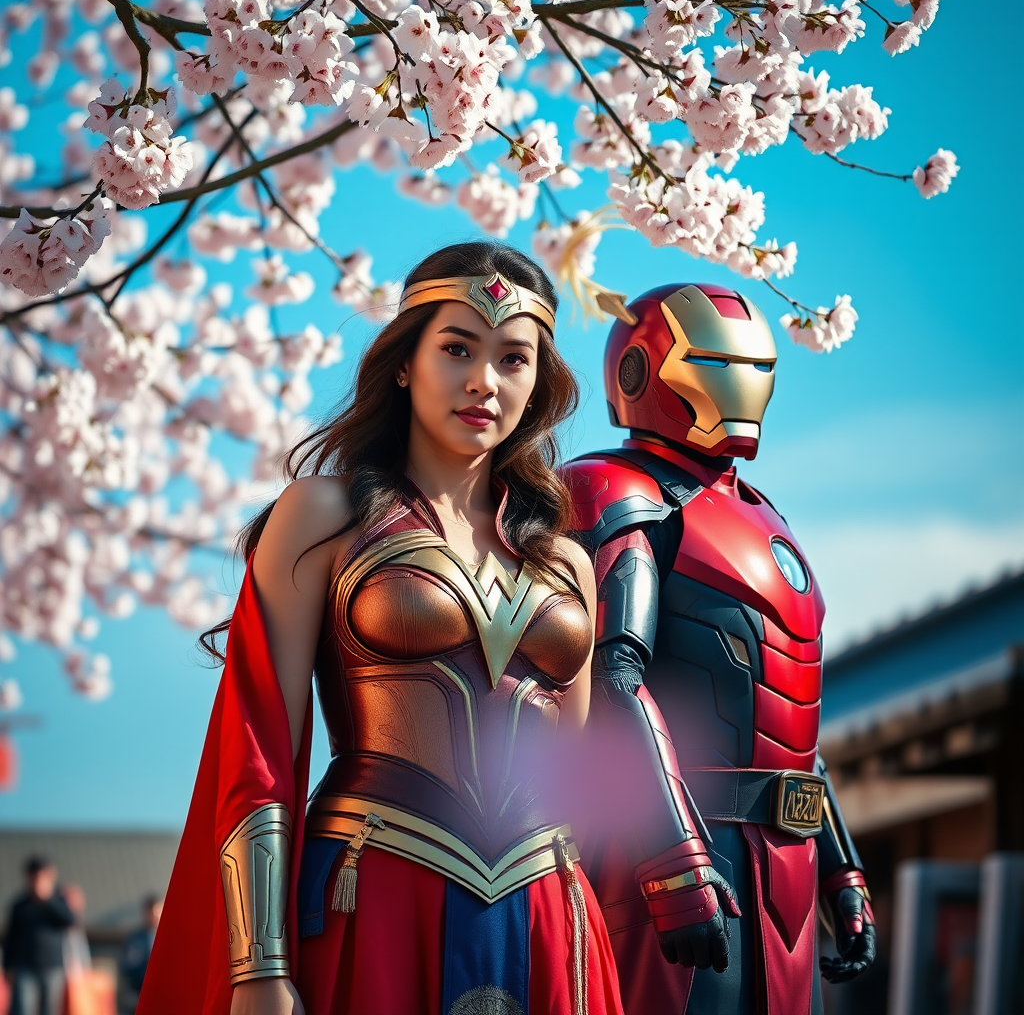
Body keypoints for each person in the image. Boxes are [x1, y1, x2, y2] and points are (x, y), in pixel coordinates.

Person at [137, 242, 624, 1015]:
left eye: (512, 359)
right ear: (405, 362)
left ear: (538, 383)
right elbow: (259, 736)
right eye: (457, 348)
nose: (482, 381)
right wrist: (257, 966)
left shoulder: (568, 562)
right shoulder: (322, 516)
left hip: (547, 913)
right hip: (376, 890)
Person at [562, 282, 875, 1015]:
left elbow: (783, 716)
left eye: (755, 364)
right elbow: (612, 678)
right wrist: (673, 862)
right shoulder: (618, 490)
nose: (738, 382)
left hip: (783, 863)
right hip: (670, 849)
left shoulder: (762, 513)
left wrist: (840, 870)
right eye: (708, 358)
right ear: (641, 371)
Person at [2, 856, 76, 1015]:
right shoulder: (20, 905)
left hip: (53, 967)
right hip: (24, 968)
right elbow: (11, 938)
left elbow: (70, 921)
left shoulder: (58, 901)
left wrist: (47, 899)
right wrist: (7, 967)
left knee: (49, 1010)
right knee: (22, 1009)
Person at [118, 895, 162, 1014]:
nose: (154, 915)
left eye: (158, 911)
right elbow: (128, 966)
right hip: (139, 991)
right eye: (151, 912)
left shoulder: (169, 938)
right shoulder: (135, 939)